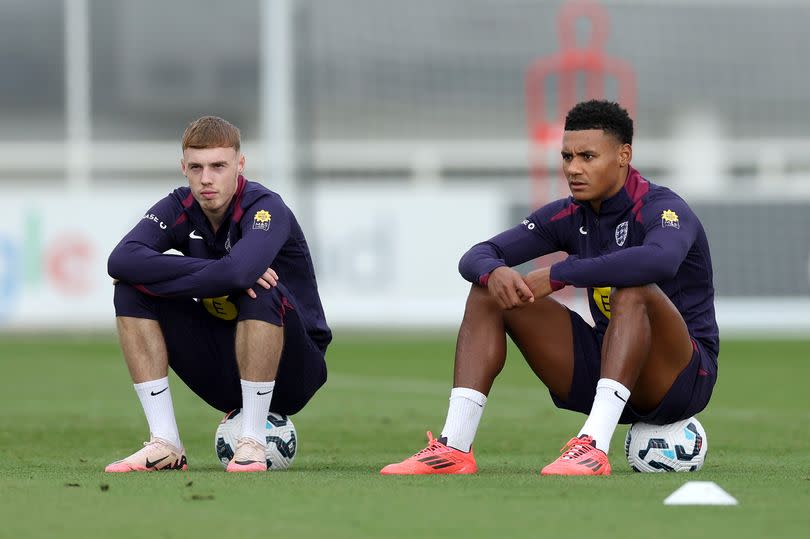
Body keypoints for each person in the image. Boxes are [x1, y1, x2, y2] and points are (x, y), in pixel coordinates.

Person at [380, 100, 718, 476]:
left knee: (632, 288)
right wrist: (494, 272)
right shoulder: (570, 214)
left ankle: (592, 447)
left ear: (624, 155)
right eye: (567, 156)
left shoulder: (663, 208)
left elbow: (660, 260)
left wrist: (560, 273)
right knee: (489, 290)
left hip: (680, 378)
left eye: (588, 156)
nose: (574, 168)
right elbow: (476, 255)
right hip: (608, 364)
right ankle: (454, 448)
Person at [105, 116, 331, 473]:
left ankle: (253, 441)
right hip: (224, 365)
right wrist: (223, 273)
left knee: (259, 287)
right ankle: (165, 444)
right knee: (131, 293)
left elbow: (242, 274)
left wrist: (171, 273)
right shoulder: (179, 207)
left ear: (240, 166)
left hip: (295, 369)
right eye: (196, 167)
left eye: (218, 166)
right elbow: (121, 260)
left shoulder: (266, 207)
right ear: (183, 168)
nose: (206, 178)